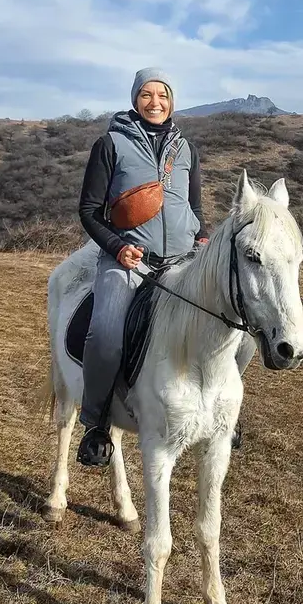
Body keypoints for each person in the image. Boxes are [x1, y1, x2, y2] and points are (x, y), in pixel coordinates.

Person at [76, 68, 250, 467]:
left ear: (172, 100)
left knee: (242, 334)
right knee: (106, 335)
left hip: (181, 261)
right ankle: (97, 421)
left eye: (163, 95)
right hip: (130, 261)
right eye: (147, 95)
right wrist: (118, 248)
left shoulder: (185, 148)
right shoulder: (110, 145)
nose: (155, 102)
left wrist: (203, 238)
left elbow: (194, 208)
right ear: (135, 98)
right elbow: (89, 211)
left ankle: (220, 408)